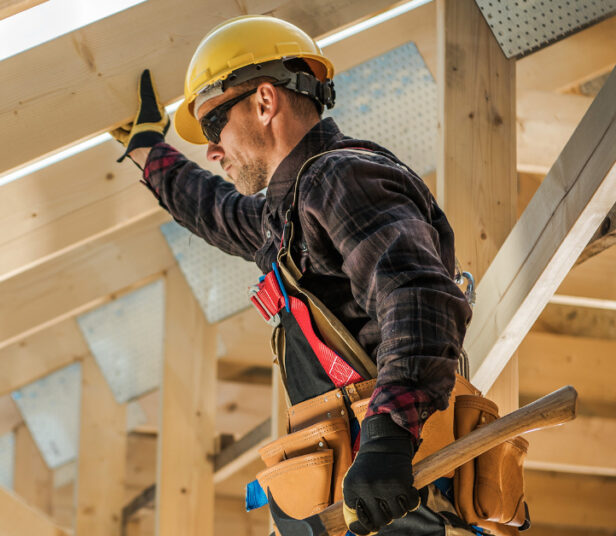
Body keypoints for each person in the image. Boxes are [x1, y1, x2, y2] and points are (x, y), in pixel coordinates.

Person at [111, 15, 481, 536]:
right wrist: (148, 149)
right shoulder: (287, 213)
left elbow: (417, 295)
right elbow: (213, 210)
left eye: (213, 126)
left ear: (265, 102)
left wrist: (388, 437)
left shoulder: (341, 176)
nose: (212, 151)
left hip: (395, 499)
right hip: (362, 501)